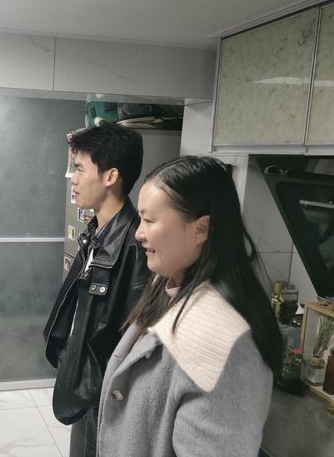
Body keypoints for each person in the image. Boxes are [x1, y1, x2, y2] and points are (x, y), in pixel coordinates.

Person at [97, 156, 283, 457]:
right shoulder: (168, 284)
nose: (138, 233)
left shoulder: (226, 344)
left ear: (201, 228)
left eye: (149, 220)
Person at [43, 124, 149, 457]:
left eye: (79, 169)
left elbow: (134, 334)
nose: (72, 179)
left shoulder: (134, 245)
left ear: (110, 176)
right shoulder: (96, 233)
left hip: (106, 389)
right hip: (87, 382)